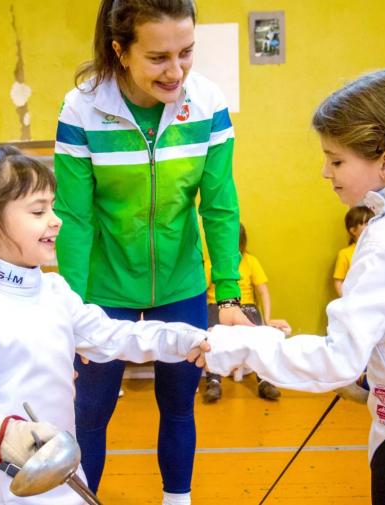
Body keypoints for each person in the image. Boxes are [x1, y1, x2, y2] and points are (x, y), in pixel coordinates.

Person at [202, 70, 385, 505]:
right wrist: (375, 372)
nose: (325, 172)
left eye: (337, 161)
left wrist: (242, 344)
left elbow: (336, 361)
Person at [0, 144, 208, 505]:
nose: (56, 220)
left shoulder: (54, 291)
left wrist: (187, 339)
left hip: (67, 479)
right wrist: (5, 434)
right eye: (38, 211)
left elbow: (112, 335)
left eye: (52, 207)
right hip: (11, 494)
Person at [54, 1, 247, 502]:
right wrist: (70, 309)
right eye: (158, 57)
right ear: (120, 50)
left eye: (186, 53)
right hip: (104, 289)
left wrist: (229, 295)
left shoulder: (207, 103)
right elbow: (74, 218)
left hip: (181, 285)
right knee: (90, 412)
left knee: (179, 405)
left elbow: (219, 205)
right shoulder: (82, 109)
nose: (176, 71)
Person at [202, 224, 291, 402]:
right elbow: (201, 290)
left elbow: (263, 292)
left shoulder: (251, 261)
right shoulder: (213, 261)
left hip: (246, 306)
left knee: (259, 338)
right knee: (213, 337)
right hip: (217, 305)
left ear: (241, 242)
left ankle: (265, 381)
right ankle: (213, 381)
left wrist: (267, 320)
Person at [334, 206, 374, 297]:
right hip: (356, 299)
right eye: (366, 223)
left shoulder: (376, 249)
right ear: (353, 230)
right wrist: (346, 299)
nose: (371, 226)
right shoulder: (345, 254)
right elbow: (338, 281)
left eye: (372, 222)